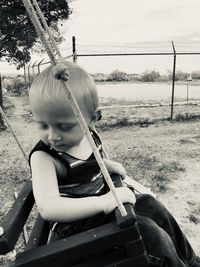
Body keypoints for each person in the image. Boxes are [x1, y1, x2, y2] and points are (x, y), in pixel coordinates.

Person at [29, 61, 200, 267]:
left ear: (91, 119)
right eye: (43, 125)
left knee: (149, 204)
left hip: (100, 216)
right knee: (147, 232)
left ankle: (191, 261)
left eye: (64, 126)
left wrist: (105, 165)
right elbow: (49, 207)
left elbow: (85, 166)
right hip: (75, 229)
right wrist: (104, 202)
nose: (53, 135)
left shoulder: (88, 137)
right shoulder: (45, 157)